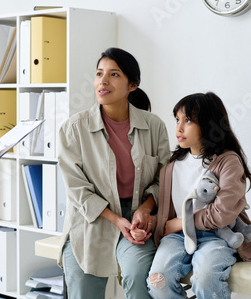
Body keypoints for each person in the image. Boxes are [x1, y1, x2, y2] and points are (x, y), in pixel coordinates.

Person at [57, 47, 170, 299]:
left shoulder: (154, 126)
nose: (103, 81)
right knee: (83, 287)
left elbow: (165, 179)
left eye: (114, 74)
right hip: (91, 219)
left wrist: (145, 209)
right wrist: (116, 219)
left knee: (139, 278)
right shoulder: (73, 129)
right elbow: (76, 190)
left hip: (139, 221)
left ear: (133, 85)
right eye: (99, 74)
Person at [147, 92, 251, 299]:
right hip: (177, 238)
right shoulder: (170, 167)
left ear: (209, 124)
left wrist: (181, 222)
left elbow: (221, 214)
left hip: (217, 235)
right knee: (158, 281)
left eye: (189, 120)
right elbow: (167, 213)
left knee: (205, 279)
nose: (179, 127)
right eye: (177, 119)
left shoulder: (228, 161)